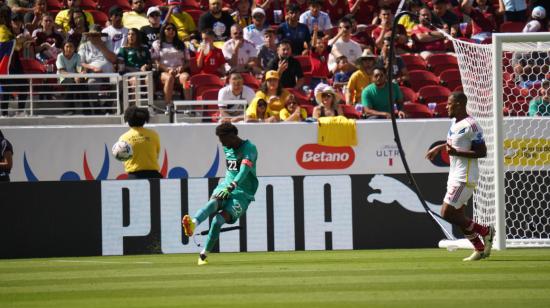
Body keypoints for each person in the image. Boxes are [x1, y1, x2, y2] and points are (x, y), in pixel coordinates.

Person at [425, 91, 495, 261]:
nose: (446, 106)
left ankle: (486, 231)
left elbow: (482, 151)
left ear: (458, 105)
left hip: (465, 177)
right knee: (458, 217)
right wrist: (440, 148)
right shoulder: (455, 123)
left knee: (446, 212)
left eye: (449, 104)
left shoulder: (472, 125)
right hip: (455, 175)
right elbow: (454, 144)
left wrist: (457, 152)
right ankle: (479, 249)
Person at [182, 122, 259, 265]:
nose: (221, 142)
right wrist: (227, 186)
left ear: (232, 136)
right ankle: (193, 224)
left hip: (243, 194)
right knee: (212, 203)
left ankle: (203, 255)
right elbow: (232, 169)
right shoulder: (226, 147)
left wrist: (232, 186)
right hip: (225, 186)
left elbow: (244, 171)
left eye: (223, 139)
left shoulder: (250, 148)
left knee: (217, 221)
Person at [151, 23, 191, 112]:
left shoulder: (181, 44)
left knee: (186, 78)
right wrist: (167, 69)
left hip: (179, 72)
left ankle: (188, 105)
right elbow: (155, 61)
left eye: (173, 29)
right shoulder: (157, 43)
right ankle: (168, 105)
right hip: (163, 72)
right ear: (163, 30)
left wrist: (182, 67)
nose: (171, 31)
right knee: (169, 78)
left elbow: (188, 61)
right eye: (168, 29)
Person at [118, 105, 162, 179]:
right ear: (144, 120)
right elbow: (157, 154)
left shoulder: (124, 138)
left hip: (134, 176)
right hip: (154, 175)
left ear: (128, 120)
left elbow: (122, 158)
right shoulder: (154, 135)